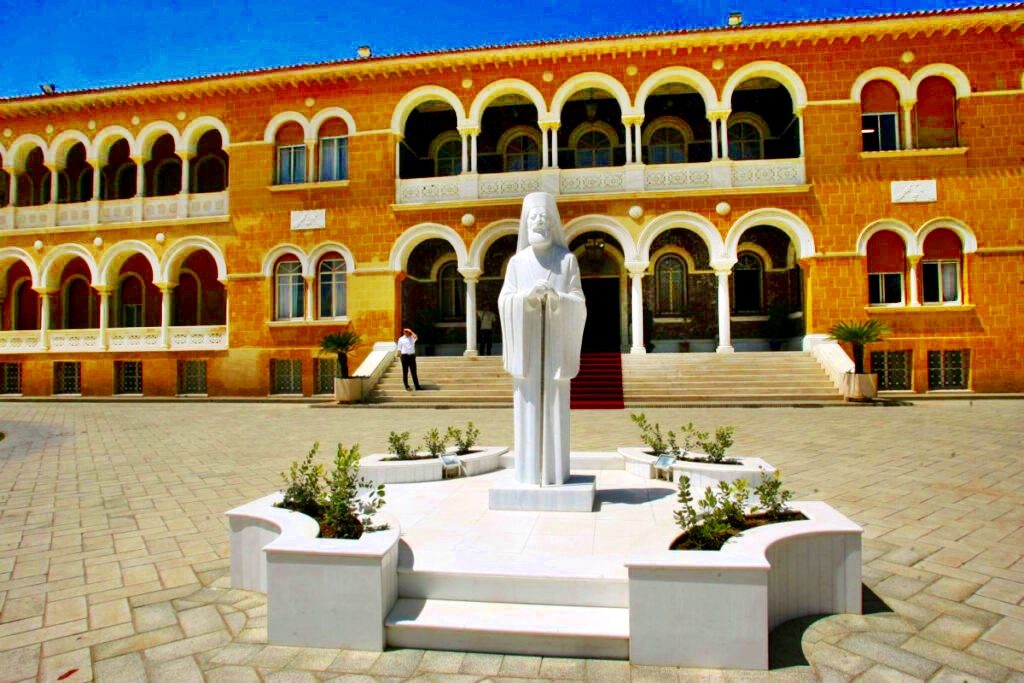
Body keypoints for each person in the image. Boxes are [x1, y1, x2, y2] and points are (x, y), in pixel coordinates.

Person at [498, 192, 586, 486]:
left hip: (555, 349)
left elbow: (579, 301)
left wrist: (557, 298)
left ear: (553, 224)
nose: (539, 222)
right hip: (527, 348)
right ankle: (527, 474)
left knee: (555, 406)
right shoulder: (517, 263)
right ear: (525, 223)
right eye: (533, 217)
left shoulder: (567, 261)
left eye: (544, 217)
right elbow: (505, 300)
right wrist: (527, 298)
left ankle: (554, 473)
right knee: (527, 407)